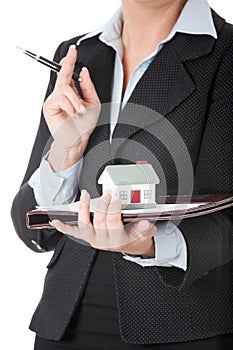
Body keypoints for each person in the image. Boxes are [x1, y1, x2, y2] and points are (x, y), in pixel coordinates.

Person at [11, 0, 233, 349]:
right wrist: (65, 152)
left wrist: (148, 243)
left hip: (182, 326)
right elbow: (30, 226)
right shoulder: (77, 55)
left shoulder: (225, 54)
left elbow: (227, 221)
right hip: (66, 320)